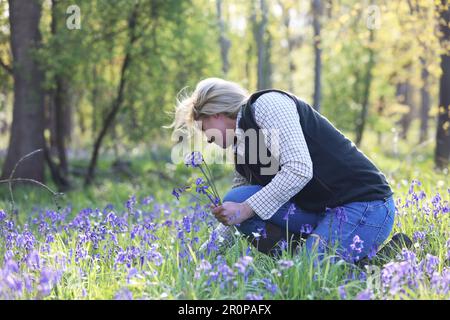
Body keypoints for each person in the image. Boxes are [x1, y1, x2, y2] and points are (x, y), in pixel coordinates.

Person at [169, 77, 397, 262]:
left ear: (216, 114)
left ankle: (381, 263)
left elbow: (299, 169)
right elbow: (238, 211)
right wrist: (202, 255)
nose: (208, 140)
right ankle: (306, 257)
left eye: (204, 128)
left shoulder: (268, 105)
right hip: (319, 209)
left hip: (364, 203)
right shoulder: (242, 145)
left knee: (309, 275)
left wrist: (246, 209)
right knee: (237, 197)